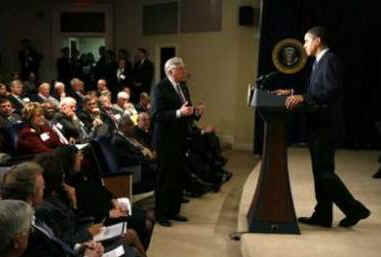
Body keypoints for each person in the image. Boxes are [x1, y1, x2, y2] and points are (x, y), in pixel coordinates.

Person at [273, 26, 370, 228]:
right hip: (318, 126)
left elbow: (332, 91)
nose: (304, 45)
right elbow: (315, 91)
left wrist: (304, 97)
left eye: (307, 41)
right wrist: (292, 92)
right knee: (320, 173)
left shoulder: (330, 60)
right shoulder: (318, 62)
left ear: (317, 40)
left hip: (326, 127)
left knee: (325, 173)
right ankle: (323, 215)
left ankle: (355, 209)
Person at [150, 57, 203, 227]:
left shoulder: (183, 87)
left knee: (178, 176)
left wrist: (196, 112)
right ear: (171, 71)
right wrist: (179, 113)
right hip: (165, 140)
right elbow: (157, 116)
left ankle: (174, 211)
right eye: (181, 69)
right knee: (164, 178)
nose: (184, 72)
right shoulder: (160, 88)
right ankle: (161, 214)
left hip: (181, 138)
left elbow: (187, 110)